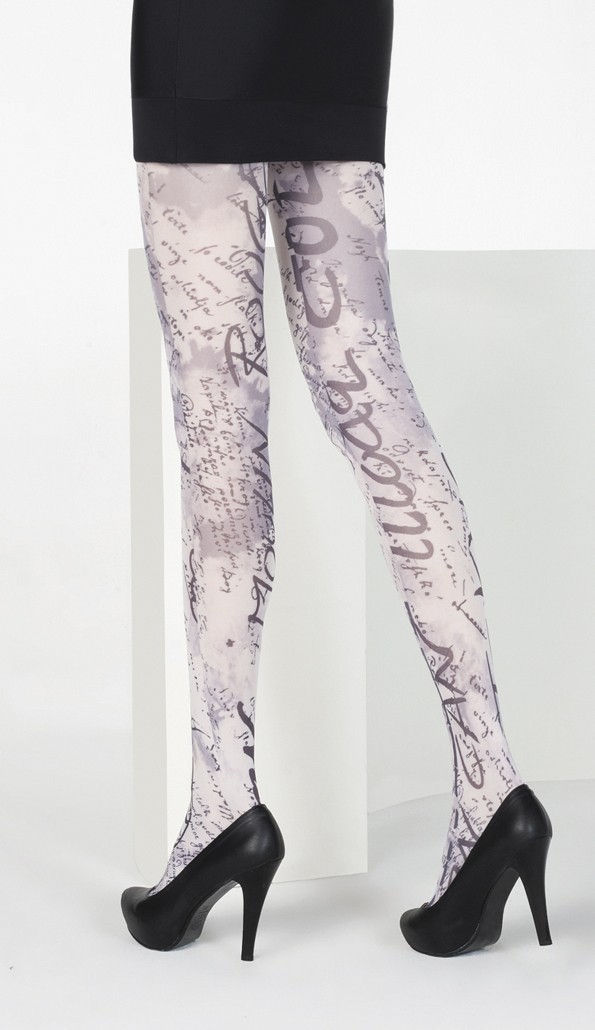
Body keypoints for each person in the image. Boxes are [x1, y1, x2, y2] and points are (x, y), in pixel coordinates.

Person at [121, 0, 553, 960]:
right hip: (340, 30)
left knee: (219, 430)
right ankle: (493, 785)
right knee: (376, 396)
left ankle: (223, 805)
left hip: (206, 37)